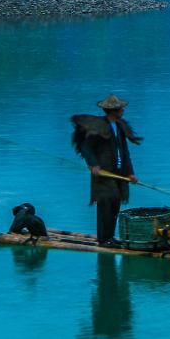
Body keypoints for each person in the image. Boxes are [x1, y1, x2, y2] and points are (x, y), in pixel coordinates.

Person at [72, 94, 141, 245]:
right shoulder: (99, 127)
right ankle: (103, 239)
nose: (123, 110)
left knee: (115, 201)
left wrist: (130, 173)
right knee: (106, 201)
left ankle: (110, 236)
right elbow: (86, 147)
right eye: (120, 108)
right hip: (103, 172)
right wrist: (93, 164)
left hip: (118, 172)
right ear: (113, 111)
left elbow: (125, 151)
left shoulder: (120, 126)